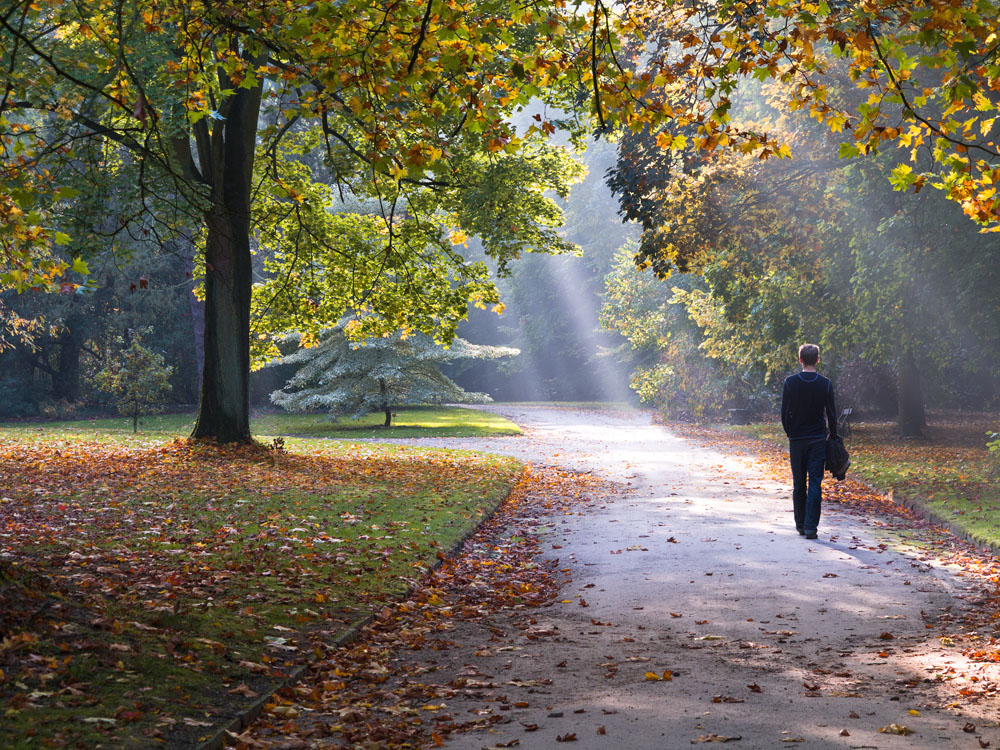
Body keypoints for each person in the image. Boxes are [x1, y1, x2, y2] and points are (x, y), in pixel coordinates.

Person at [781, 343, 837, 540]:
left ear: (800, 360)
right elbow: (831, 413)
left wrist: (790, 432)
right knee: (815, 482)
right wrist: (834, 436)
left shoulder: (790, 383)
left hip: (797, 439)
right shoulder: (825, 384)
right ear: (818, 360)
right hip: (817, 439)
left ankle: (800, 524)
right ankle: (811, 527)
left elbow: (784, 414)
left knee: (799, 483)